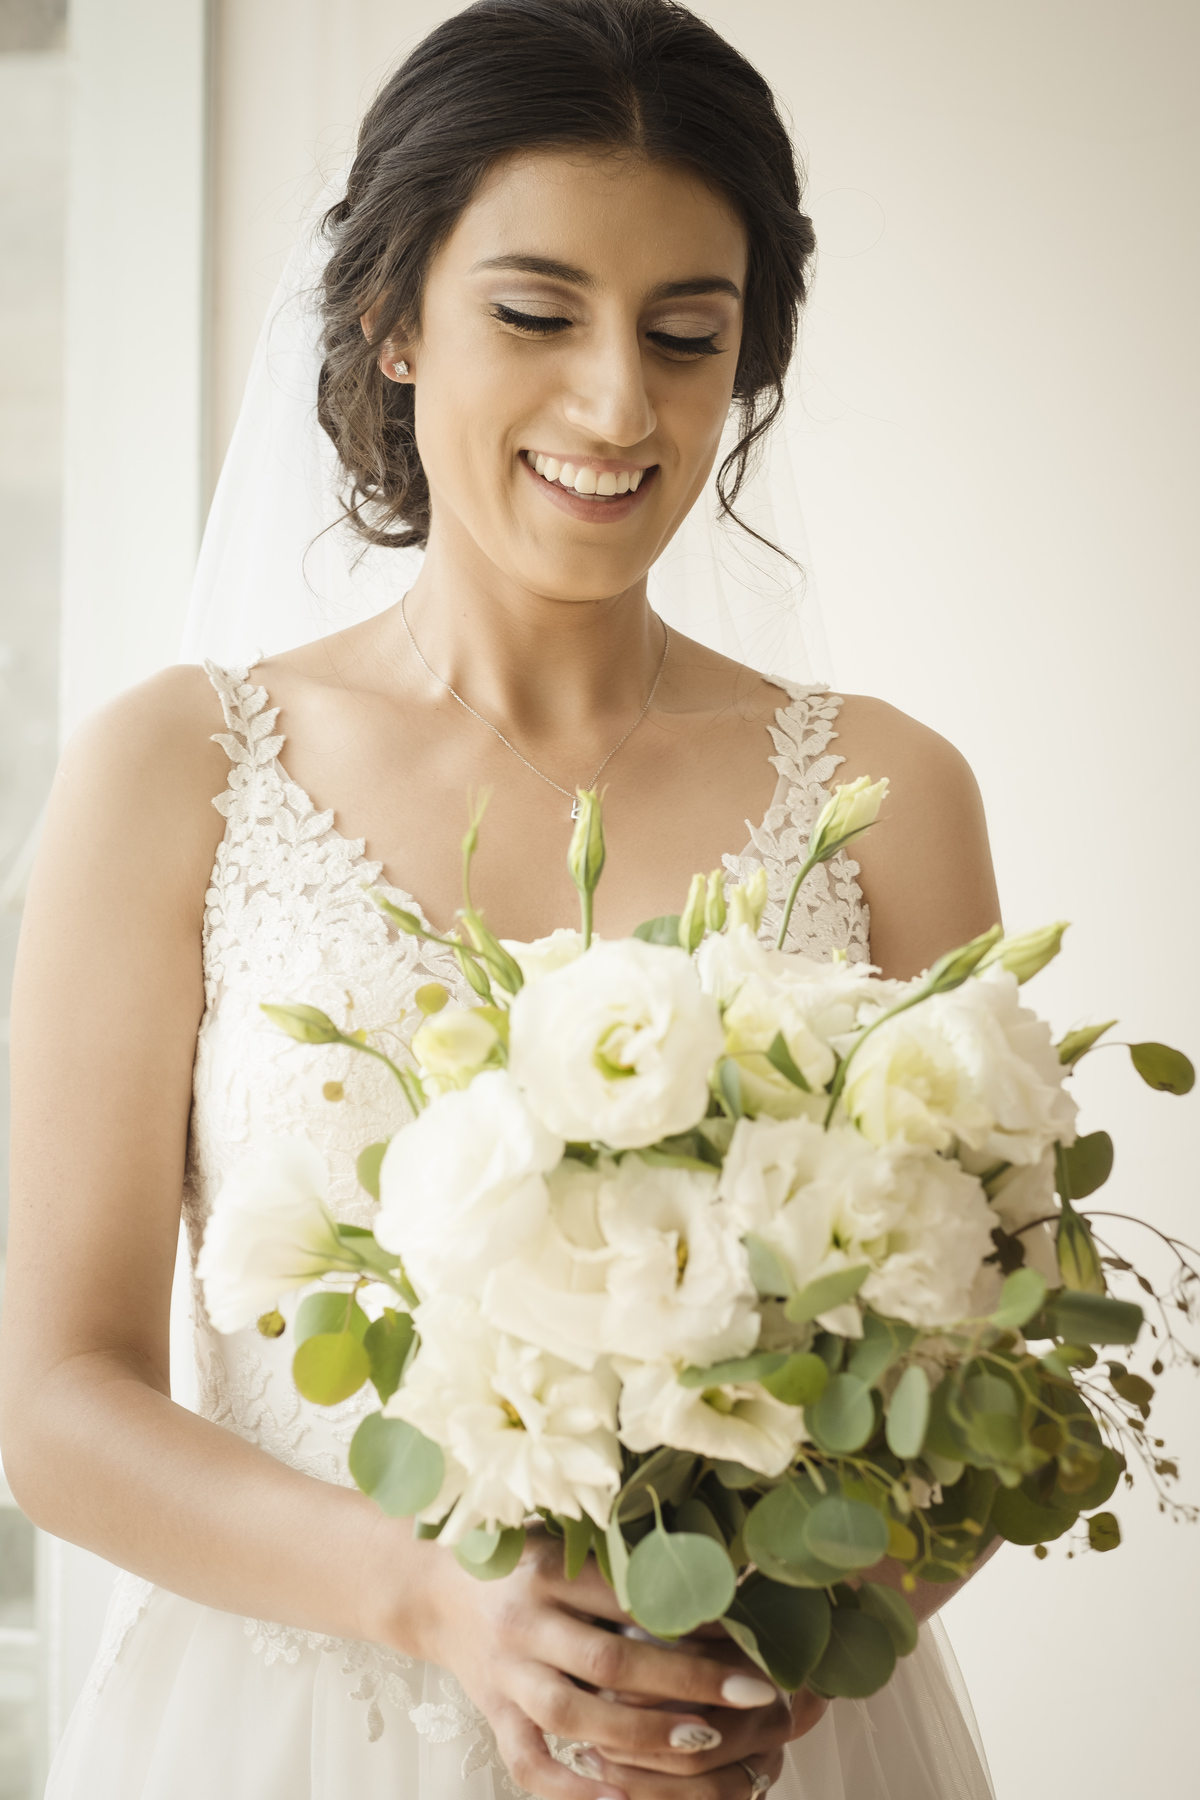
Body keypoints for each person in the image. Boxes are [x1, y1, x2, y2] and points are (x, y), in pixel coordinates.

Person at [0, 2, 1001, 1795]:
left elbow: (991, 1376)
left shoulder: (889, 799)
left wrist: (746, 1665)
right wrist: (441, 1609)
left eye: (686, 337)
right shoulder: (178, 777)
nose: (618, 404)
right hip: (293, 1726)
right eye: (535, 315)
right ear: (390, 316)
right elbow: (54, 1402)